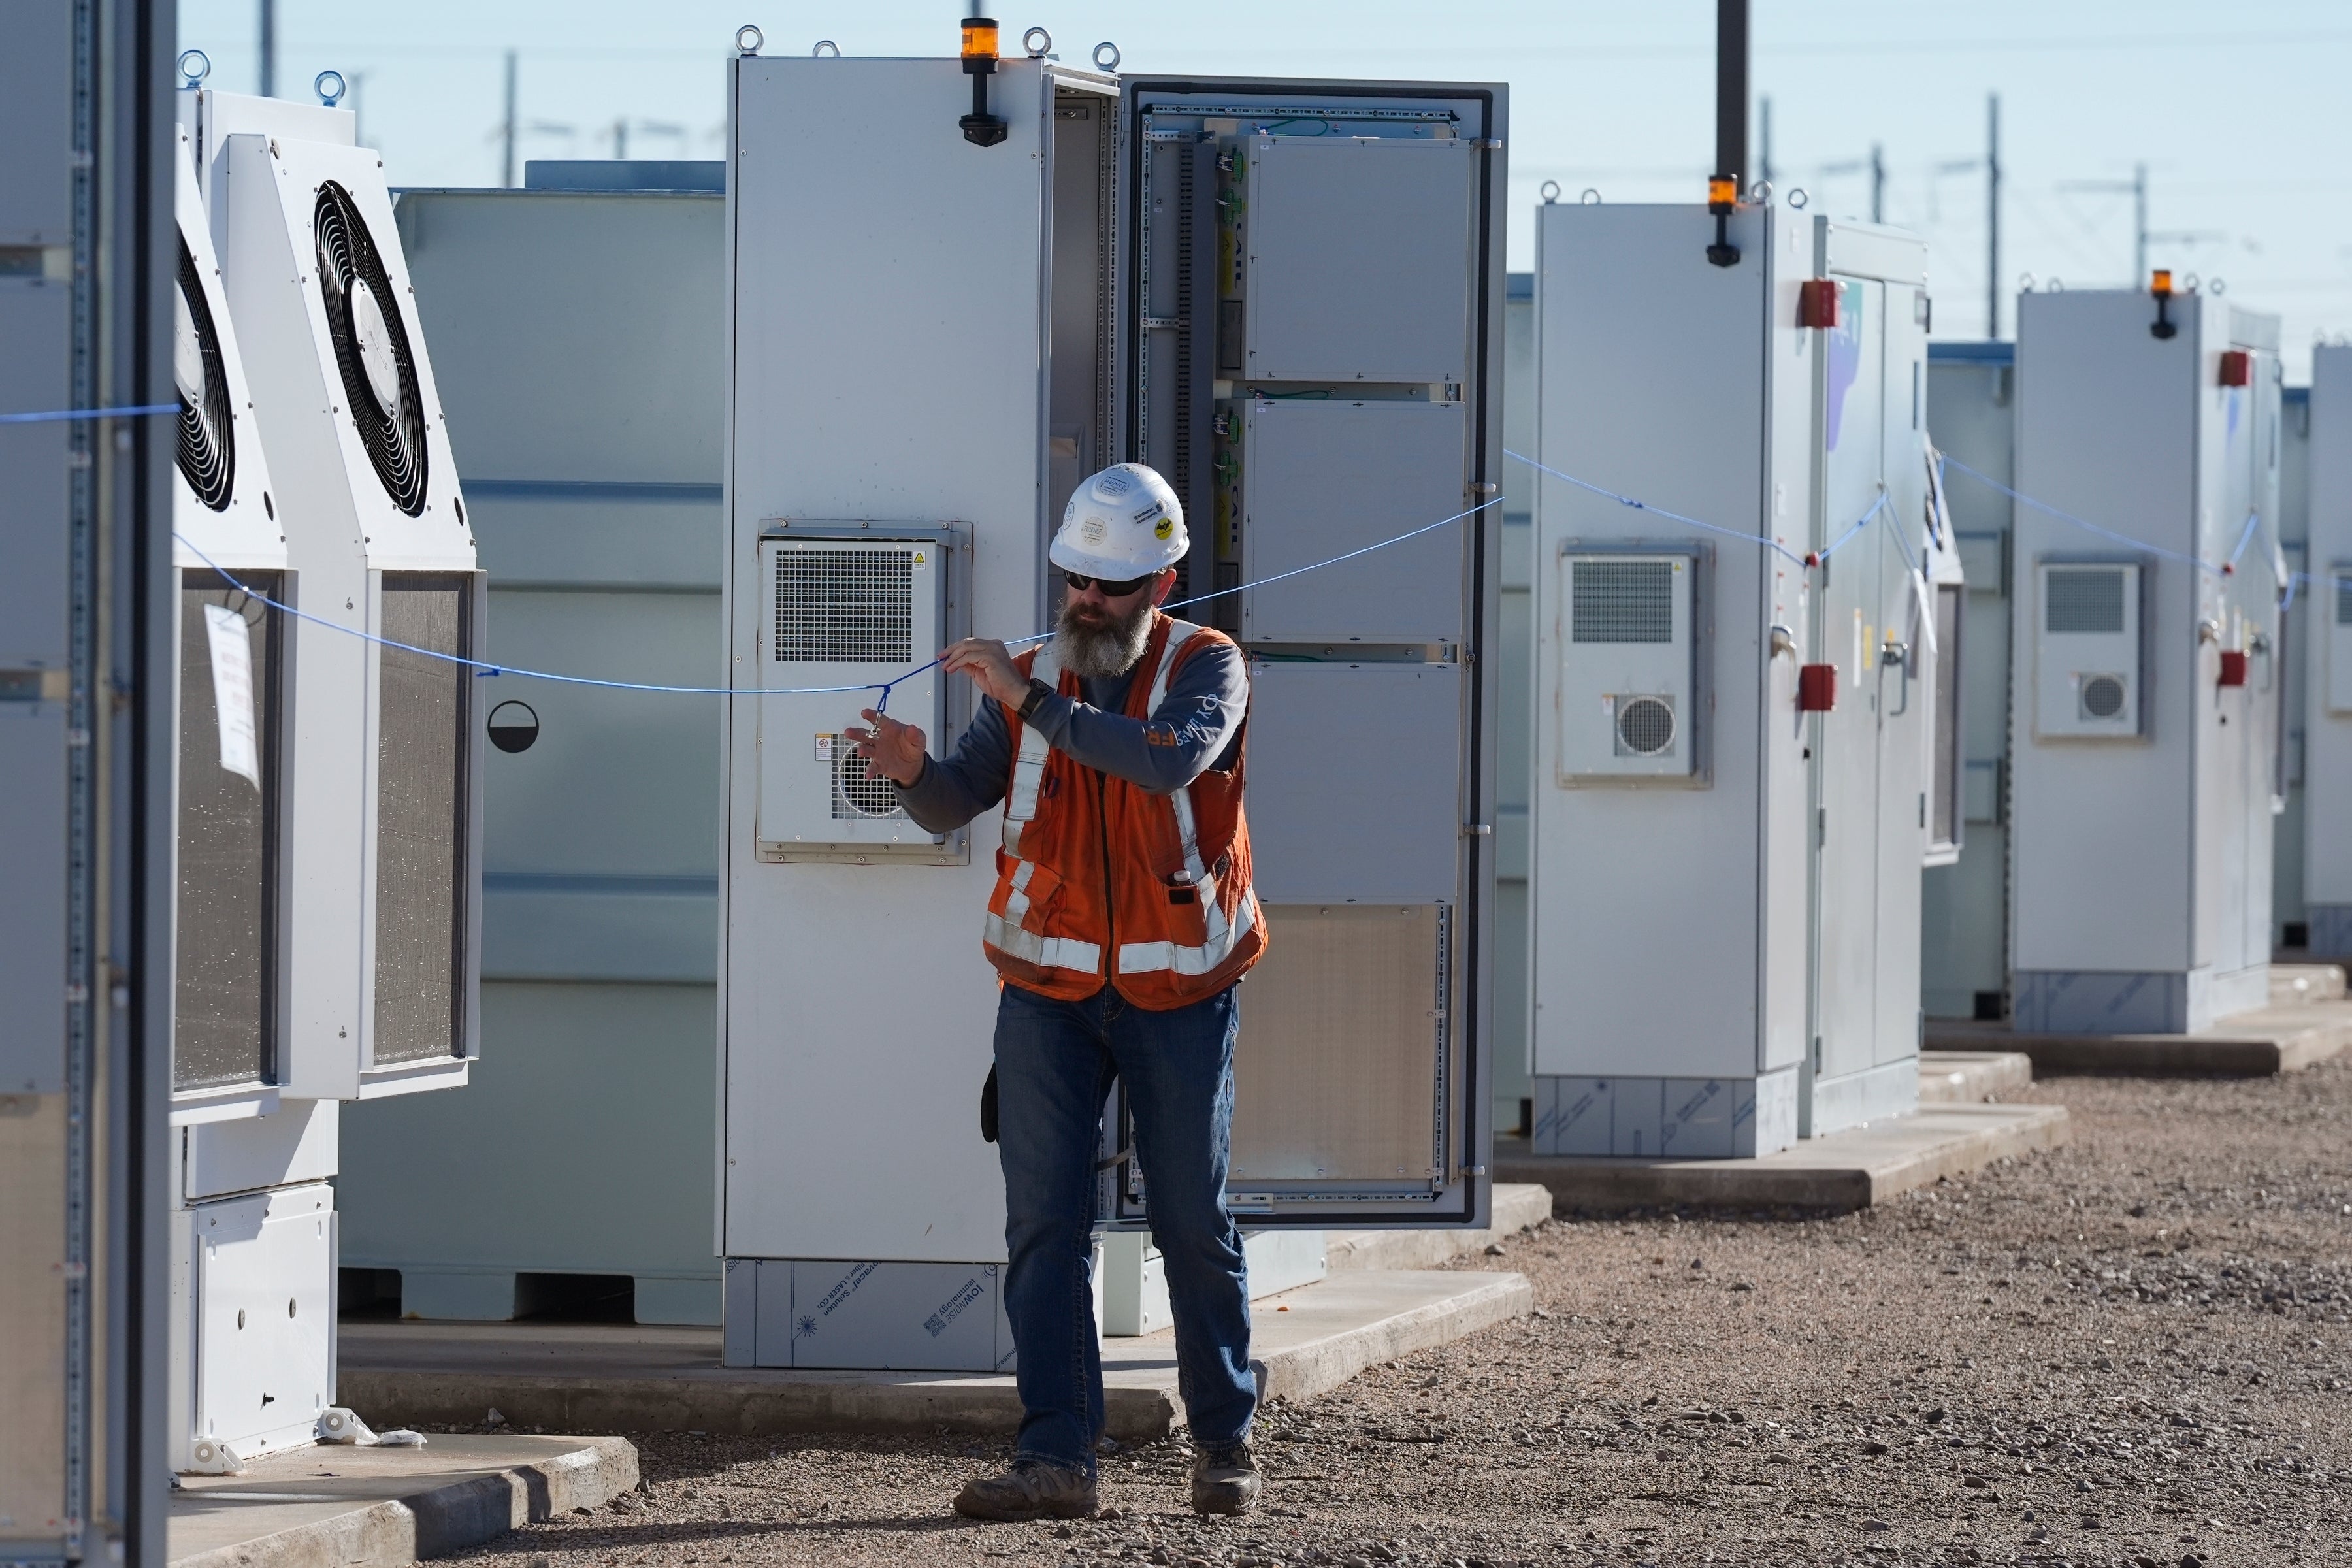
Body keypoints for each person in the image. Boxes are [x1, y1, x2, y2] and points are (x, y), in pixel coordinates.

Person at [845, 463, 1266, 1522]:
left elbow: (1164, 764)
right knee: (1044, 1225)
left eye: (1110, 585)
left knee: (1190, 1221)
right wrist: (905, 771)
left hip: (1179, 992)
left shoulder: (1207, 667)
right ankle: (1055, 1458)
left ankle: (1223, 1443)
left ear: (1160, 583)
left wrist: (1025, 697)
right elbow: (953, 807)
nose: (1086, 599)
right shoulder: (1031, 677)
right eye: (1074, 576)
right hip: (1047, 991)